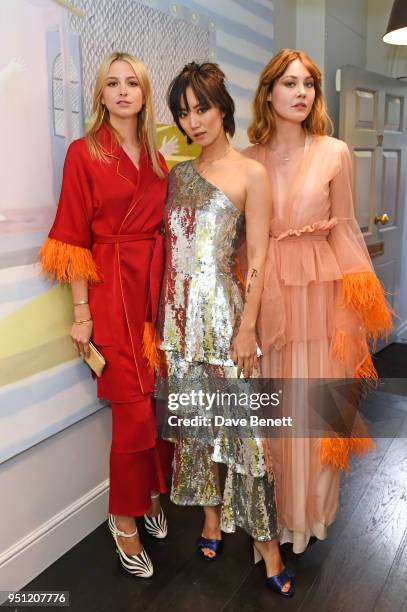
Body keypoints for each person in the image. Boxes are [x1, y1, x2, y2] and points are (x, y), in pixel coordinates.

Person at [243, 48, 392, 553]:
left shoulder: (335, 151)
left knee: (319, 406)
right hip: (269, 298)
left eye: (308, 84)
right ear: (268, 92)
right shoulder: (248, 159)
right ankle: (275, 517)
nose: (301, 93)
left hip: (322, 293)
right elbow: (242, 241)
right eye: (289, 83)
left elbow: (345, 227)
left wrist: (354, 308)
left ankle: (311, 517)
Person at [155, 62, 295, 597]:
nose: (194, 122)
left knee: (246, 435)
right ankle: (211, 522)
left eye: (203, 108)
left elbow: (256, 255)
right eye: (185, 113)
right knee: (195, 426)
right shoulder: (177, 175)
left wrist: (247, 327)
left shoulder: (249, 173)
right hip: (179, 321)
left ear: (223, 108)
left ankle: (268, 548)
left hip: (226, 316)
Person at [40, 51, 173, 578]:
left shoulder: (160, 160)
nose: (122, 92)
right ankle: (122, 515)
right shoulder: (84, 153)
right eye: (112, 83)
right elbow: (72, 237)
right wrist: (81, 313)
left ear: (144, 94)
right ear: (99, 94)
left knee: (158, 405)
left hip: (154, 293)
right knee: (132, 410)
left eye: (132, 83)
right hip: (110, 292)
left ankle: (149, 493)